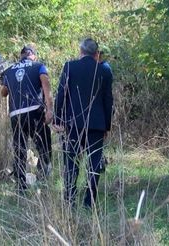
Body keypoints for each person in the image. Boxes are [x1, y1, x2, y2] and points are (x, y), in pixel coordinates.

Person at [54, 38, 113, 208]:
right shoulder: (104, 70)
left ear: (81, 52)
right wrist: (107, 125)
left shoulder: (70, 66)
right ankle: (89, 201)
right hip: (97, 124)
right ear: (96, 54)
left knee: (71, 161)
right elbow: (108, 100)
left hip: (73, 123)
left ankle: (70, 200)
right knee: (94, 163)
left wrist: (58, 119)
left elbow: (61, 94)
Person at [0, 45, 53, 193]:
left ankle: (20, 185)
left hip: (16, 114)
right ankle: (43, 179)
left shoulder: (9, 70)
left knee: (20, 149)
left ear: (21, 56)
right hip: (35, 111)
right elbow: (46, 84)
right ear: (33, 55)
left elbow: (3, 93)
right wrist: (49, 109)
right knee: (43, 145)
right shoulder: (39, 66)